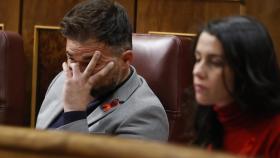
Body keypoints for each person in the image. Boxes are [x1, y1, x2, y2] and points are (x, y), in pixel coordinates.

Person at [36, 0, 169, 141]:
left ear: (126, 60)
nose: (77, 73)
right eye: (71, 58)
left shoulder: (146, 116)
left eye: (90, 62)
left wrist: (74, 113)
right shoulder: (63, 79)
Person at [192, 16, 280, 157]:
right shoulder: (212, 117)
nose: (197, 71)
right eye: (198, 59)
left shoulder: (275, 132)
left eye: (215, 62)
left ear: (246, 70)